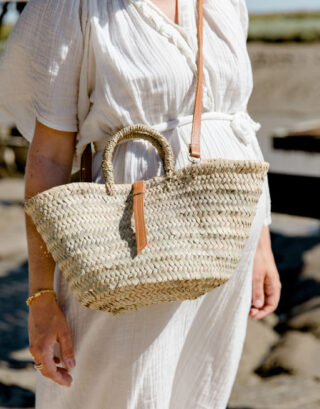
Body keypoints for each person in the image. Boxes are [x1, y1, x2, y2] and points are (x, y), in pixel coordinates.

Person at [0, 0, 281, 407]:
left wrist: (262, 240)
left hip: (226, 241)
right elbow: (49, 158)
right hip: (122, 244)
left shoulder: (226, 3)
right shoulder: (72, 7)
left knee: (199, 393)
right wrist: (41, 296)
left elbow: (239, 119)